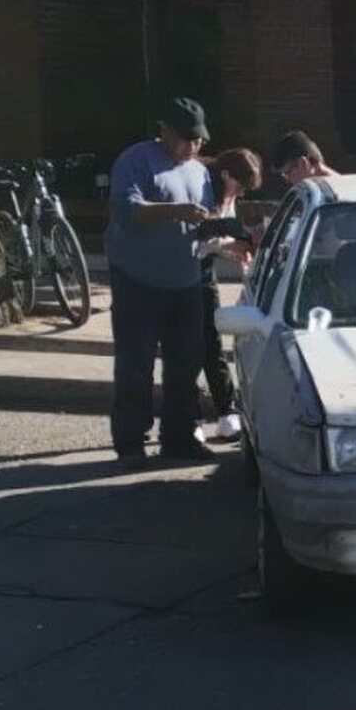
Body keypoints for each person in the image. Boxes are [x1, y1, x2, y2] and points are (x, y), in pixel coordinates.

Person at [104, 98, 215, 468]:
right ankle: (131, 440)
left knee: (186, 363)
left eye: (198, 140)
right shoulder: (136, 160)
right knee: (136, 363)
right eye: (186, 139)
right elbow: (126, 209)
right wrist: (175, 211)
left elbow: (203, 220)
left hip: (185, 281)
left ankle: (179, 437)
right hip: (138, 281)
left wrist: (220, 234)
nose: (193, 147)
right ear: (164, 130)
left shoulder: (199, 172)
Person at [196, 148, 262, 443]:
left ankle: (226, 413)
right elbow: (196, 241)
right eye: (240, 185)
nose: (241, 193)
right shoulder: (201, 192)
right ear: (225, 175)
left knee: (211, 339)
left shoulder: (228, 194)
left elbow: (219, 237)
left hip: (204, 271)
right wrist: (226, 247)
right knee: (186, 346)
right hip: (184, 271)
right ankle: (189, 416)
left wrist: (233, 248)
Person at [268, 130, 340, 185]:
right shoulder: (346, 187)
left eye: (287, 173)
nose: (287, 180)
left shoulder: (315, 199)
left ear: (303, 163)